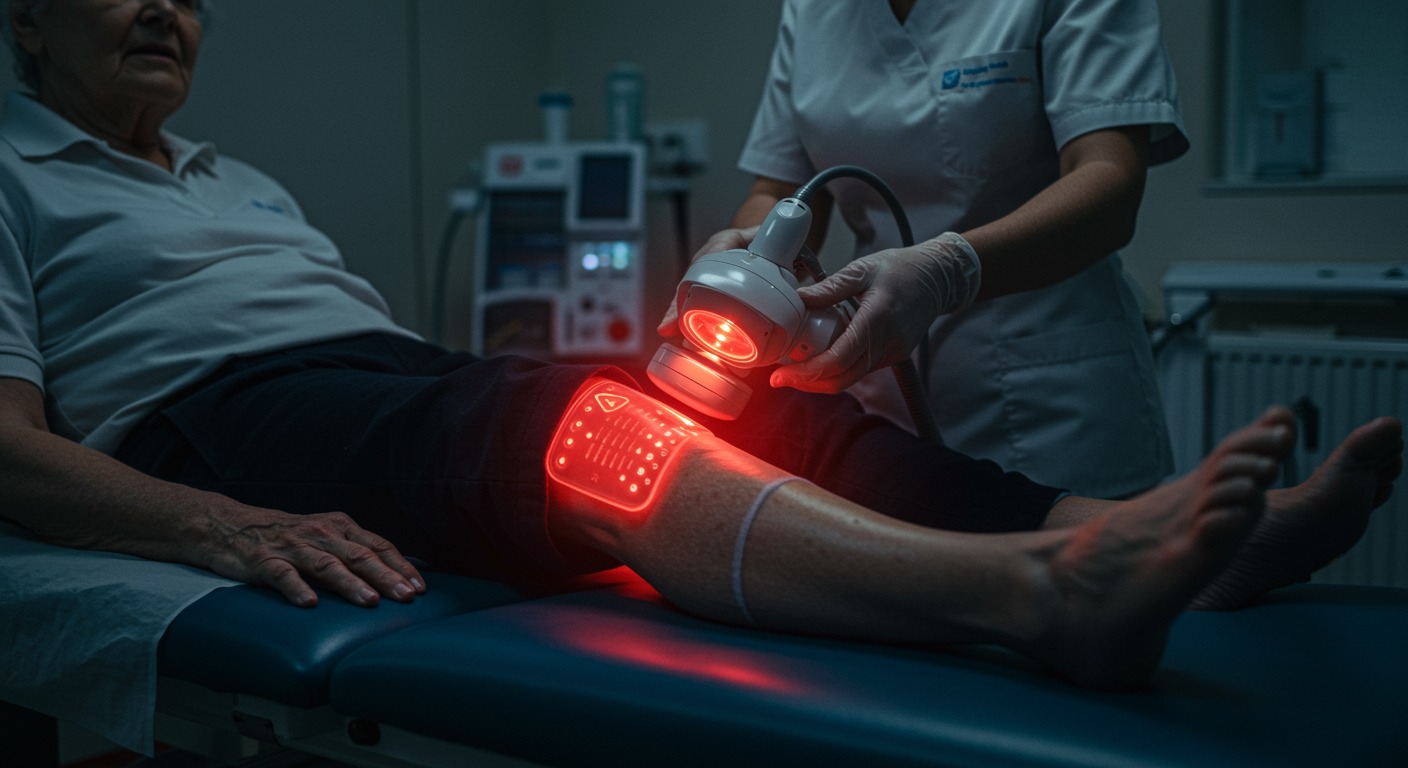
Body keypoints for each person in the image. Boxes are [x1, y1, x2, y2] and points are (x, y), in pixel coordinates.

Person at [0, 0, 1401, 690]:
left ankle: (1161, 544)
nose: (162, 9)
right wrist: (215, 527)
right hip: (219, 410)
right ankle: (1039, 592)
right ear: (23, 25)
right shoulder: (12, 175)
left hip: (377, 368)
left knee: (732, 406)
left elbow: (1103, 181)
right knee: (583, 434)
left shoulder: (235, 179)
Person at [686, 0, 1190, 499]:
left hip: (1049, 403)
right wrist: (754, 257)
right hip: (884, 389)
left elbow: (1108, 183)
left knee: (1067, 559)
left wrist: (949, 271)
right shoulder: (813, 8)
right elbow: (777, 191)